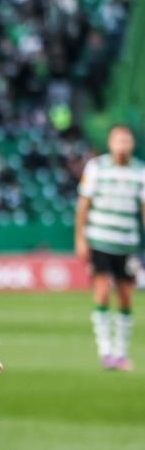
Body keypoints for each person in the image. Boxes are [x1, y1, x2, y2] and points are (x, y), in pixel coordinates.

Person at [75, 124, 144, 371]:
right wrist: (81, 238)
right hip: (100, 240)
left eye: (126, 140)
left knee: (126, 297)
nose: (122, 145)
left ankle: (121, 351)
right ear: (110, 143)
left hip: (127, 243)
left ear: (132, 144)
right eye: (118, 140)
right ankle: (106, 351)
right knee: (102, 292)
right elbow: (83, 205)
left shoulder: (140, 172)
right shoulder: (96, 168)